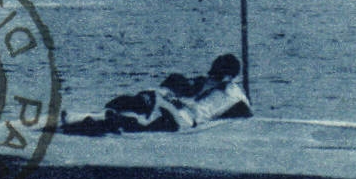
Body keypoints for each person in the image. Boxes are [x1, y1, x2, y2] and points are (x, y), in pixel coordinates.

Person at [61, 55, 251, 136]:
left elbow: (245, 112)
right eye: (211, 74)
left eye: (216, 76)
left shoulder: (233, 94)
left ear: (229, 77)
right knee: (134, 101)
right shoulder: (207, 82)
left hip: (185, 119)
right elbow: (186, 89)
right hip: (178, 110)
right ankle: (98, 117)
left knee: (149, 119)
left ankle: (100, 121)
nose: (211, 78)